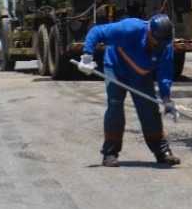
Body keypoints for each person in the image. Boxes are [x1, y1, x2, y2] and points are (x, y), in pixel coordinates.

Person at [77, 14, 182, 167]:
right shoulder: (129, 28)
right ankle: (110, 153)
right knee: (115, 106)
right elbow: (97, 32)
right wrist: (87, 56)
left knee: (150, 109)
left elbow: (164, 74)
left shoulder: (165, 46)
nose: (158, 46)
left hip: (141, 74)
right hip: (116, 68)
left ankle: (162, 151)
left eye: (162, 43)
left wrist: (166, 99)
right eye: (156, 42)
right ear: (149, 32)